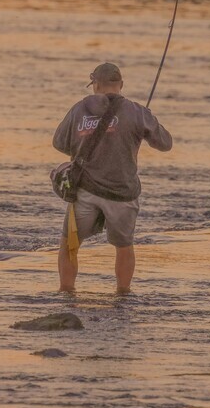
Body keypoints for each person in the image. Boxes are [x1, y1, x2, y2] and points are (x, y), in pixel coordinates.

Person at [52, 62, 173, 294]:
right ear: (121, 85)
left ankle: (66, 292)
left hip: (85, 192)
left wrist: (83, 147)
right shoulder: (137, 112)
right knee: (124, 246)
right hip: (122, 193)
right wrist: (145, 124)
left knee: (69, 244)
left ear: (95, 84)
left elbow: (59, 143)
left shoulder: (79, 109)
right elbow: (165, 144)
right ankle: (123, 293)